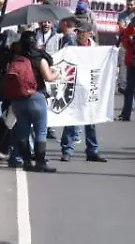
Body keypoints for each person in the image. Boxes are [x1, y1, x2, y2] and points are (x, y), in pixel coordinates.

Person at [2, 30, 59, 172]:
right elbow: (48, 77)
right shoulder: (39, 58)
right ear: (35, 43)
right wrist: (57, 73)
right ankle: (40, 163)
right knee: (40, 131)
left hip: (17, 99)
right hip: (36, 97)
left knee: (23, 130)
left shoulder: (14, 57)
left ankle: (26, 162)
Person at [59, 28, 107, 163]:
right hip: (75, 87)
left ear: (89, 33)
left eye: (82, 32)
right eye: (78, 32)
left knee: (91, 121)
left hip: (90, 87)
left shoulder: (95, 48)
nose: (80, 35)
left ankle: (92, 151)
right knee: (72, 120)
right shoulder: (71, 46)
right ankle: (67, 150)